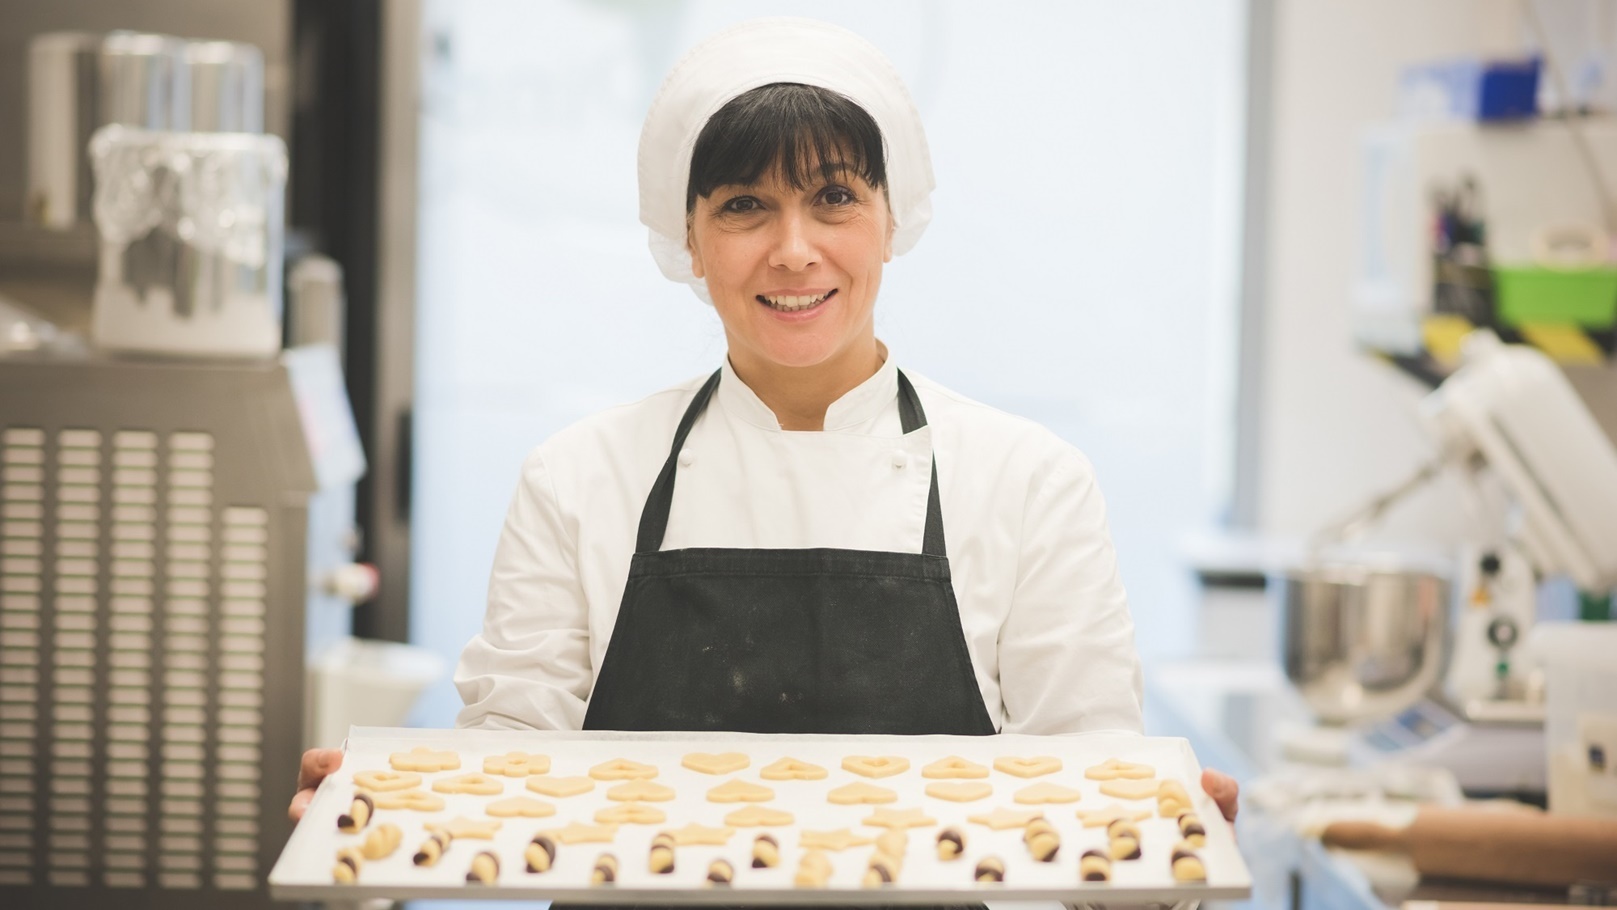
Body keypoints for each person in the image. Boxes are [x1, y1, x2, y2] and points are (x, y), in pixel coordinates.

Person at [291, 16, 1238, 826]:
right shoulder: (580, 476)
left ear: (889, 221)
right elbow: (511, 762)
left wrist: (1151, 837)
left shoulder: (1028, 481)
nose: (793, 252)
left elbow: (1081, 783)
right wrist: (400, 800)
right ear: (689, 242)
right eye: (746, 206)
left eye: (833, 198)